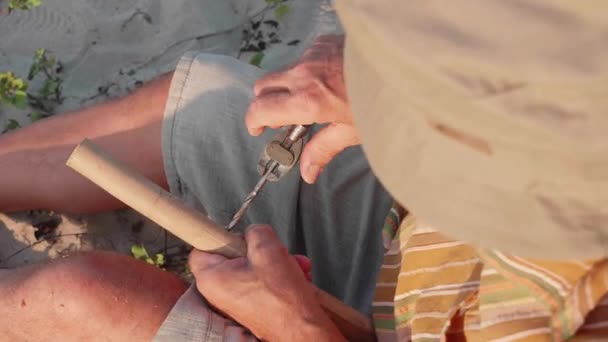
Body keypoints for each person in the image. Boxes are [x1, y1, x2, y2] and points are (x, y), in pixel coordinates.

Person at [1, 1, 607, 341]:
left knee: (82, 299)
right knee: (213, 109)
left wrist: (298, 326)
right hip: (430, 249)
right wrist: (383, 87)